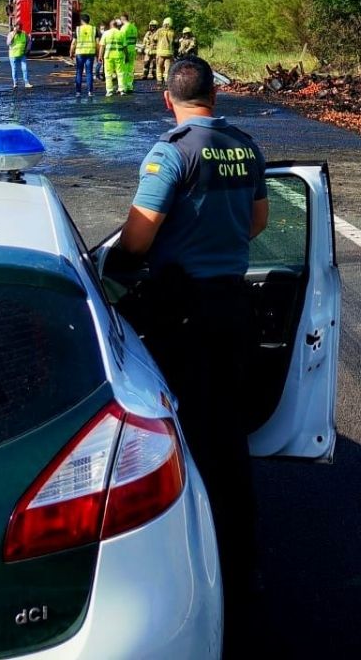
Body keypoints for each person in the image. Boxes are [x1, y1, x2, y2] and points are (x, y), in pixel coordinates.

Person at [110, 57, 267, 641]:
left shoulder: (169, 153)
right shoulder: (244, 148)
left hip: (180, 311)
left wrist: (125, 267)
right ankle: (244, 560)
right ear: (214, 96)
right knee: (227, 434)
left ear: (167, 99)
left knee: (179, 437)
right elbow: (258, 221)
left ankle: (194, 567)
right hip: (233, 307)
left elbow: (136, 236)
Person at [72, 18, 98, 96]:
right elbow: (97, 43)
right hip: (90, 53)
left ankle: (78, 92)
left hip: (79, 53)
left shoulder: (78, 29)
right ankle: (90, 92)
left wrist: (71, 52)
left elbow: (73, 42)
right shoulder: (94, 29)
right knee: (89, 72)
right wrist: (97, 53)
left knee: (79, 72)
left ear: (82, 20)